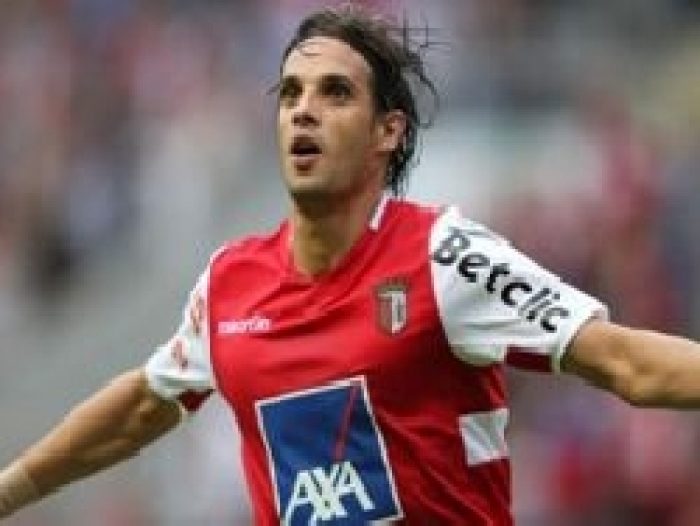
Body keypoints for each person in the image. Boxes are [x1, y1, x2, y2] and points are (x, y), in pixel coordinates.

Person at [2, 5, 700, 525]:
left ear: (386, 132)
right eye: (291, 93)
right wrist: (12, 489)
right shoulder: (229, 283)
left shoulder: (446, 256)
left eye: (335, 92)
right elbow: (144, 403)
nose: (304, 111)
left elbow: (623, 362)